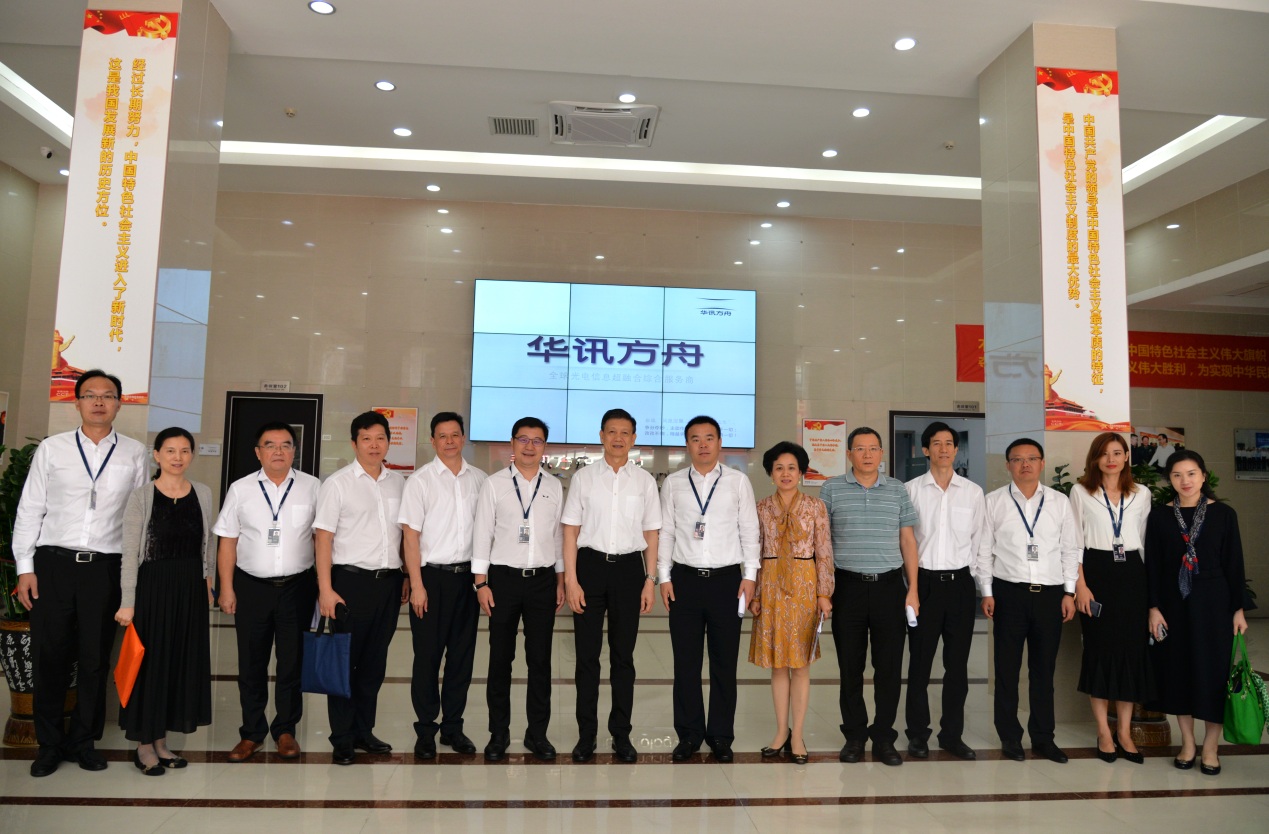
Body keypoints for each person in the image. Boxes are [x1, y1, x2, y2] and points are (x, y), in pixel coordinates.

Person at [12, 369, 148, 778]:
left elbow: (139, 519)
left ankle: (84, 742)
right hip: (52, 566)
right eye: (90, 395)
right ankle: (49, 744)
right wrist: (25, 568)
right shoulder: (52, 449)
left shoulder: (134, 453)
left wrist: (133, 578)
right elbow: (30, 509)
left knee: (94, 660)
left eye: (108, 395)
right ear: (76, 403)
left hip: (104, 570)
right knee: (50, 657)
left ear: (119, 404)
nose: (99, 402)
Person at [213, 421, 321, 762]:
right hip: (251, 587)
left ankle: (285, 730)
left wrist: (324, 587)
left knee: (292, 662)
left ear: (294, 451)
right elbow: (227, 542)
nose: (278, 451)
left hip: (297, 588)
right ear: (258, 452)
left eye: (286, 445)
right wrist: (226, 588)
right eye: (270, 445)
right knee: (251, 663)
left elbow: (322, 540)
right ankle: (252, 733)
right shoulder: (241, 489)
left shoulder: (313, 487)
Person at [659, 415, 760, 763]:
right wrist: (664, 576)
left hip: (727, 582)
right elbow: (666, 531)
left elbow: (749, 531)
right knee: (685, 663)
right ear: (687, 444)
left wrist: (750, 576)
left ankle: (720, 735)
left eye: (709, 438)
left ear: (719, 443)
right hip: (684, 581)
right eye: (695, 438)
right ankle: (688, 734)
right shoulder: (673, 483)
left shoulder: (737, 482)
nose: (702, 445)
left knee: (724, 663)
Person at [114, 427, 215, 775]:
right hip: (152, 588)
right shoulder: (142, 496)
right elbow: (130, 552)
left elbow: (207, 545)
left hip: (189, 588)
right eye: (170, 450)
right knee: (151, 665)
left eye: (185, 450)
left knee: (178, 663)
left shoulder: (203, 493)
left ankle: (162, 741)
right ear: (156, 455)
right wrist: (128, 601)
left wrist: (207, 583)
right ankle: (144, 745)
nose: (177, 457)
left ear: (192, 455)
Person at [562, 409, 661, 763]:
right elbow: (570, 531)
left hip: (629, 572)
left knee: (623, 658)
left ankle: (621, 734)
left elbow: (652, 533)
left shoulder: (644, 482)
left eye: (625, 433)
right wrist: (571, 580)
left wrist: (649, 580)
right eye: (612, 432)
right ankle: (586, 735)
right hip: (589, 568)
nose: (618, 438)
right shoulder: (583, 478)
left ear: (633, 439)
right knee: (587, 658)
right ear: (601, 435)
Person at [976, 438, 1079, 764]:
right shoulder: (994, 502)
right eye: (1017, 459)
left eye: (1032, 458)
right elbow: (983, 550)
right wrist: (987, 591)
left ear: (1042, 463)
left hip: (1050, 595)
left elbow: (1070, 549)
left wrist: (1069, 592)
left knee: (1043, 672)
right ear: (1008, 465)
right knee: (1006, 670)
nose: (1025, 464)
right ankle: (1010, 737)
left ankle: (1043, 737)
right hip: (1009, 593)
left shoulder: (1059, 502)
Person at [820, 426, 919, 766]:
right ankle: (854, 736)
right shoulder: (831, 488)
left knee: (888, 668)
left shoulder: (897, 489)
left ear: (881, 454)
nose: (867, 454)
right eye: (860, 448)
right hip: (847, 587)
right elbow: (822, 543)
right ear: (849, 454)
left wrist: (913, 590)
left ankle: (884, 737)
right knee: (850, 667)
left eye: (873, 448)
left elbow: (908, 540)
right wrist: (824, 590)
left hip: (889, 588)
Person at [1145, 450, 1248, 776]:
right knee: (1179, 673)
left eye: (1191, 474)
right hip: (1173, 605)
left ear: (1203, 476)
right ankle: (1188, 743)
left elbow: (1234, 563)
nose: (1185, 481)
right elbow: (1153, 566)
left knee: (1214, 675)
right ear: (1170, 480)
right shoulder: (1160, 516)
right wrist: (1153, 608)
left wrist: (1238, 609)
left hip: (1214, 604)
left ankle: (1211, 747)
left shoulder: (1224, 514)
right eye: (1177, 475)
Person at [314, 411, 408, 765]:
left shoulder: (399, 483)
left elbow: (404, 536)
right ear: (354, 443)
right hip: (349, 583)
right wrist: (325, 589)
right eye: (366, 439)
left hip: (388, 584)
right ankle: (342, 737)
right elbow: (323, 539)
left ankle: (364, 730)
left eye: (380, 438)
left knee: (374, 663)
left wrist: (406, 577)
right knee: (345, 662)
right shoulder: (337, 484)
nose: (374, 445)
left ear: (388, 442)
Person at [471, 417, 565, 762]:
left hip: (542, 580)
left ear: (544, 447)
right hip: (503, 581)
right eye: (523, 439)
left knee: (540, 660)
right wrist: (480, 582)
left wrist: (560, 579)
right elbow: (482, 533)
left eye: (537, 441)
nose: (529, 446)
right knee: (500, 659)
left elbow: (557, 536)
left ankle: (537, 733)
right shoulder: (494, 485)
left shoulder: (554, 486)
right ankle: (499, 733)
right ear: (512, 444)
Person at [399, 412, 487, 759]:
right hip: (430, 579)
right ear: (433, 441)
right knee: (427, 658)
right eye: (442, 436)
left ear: (463, 438)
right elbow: (410, 537)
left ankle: (453, 727)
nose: (449, 441)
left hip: (468, 580)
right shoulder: (420, 481)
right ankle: (425, 729)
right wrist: (417, 584)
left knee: (461, 658)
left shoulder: (480, 480)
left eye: (455, 435)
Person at [747, 441, 833, 765]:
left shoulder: (815, 507)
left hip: (804, 587)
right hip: (770, 586)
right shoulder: (760, 508)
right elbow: (754, 553)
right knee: (778, 664)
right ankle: (781, 732)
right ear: (771, 473)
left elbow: (824, 551)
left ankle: (798, 735)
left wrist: (824, 593)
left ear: (801, 473)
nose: (785, 474)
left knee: (800, 665)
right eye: (779, 468)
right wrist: (755, 594)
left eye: (792, 468)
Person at [1069, 432, 1153, 765]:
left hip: (1132, 577)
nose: (1111, 459)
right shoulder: (1080, 492)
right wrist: (1080, 585)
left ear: (1126, 457)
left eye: (1117, 453)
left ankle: (1125, 732)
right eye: (1104, 453)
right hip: (1096, 573)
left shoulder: (1142, 493)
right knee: (1100, 652)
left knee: (1131, 654)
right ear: (1094, 458)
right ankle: (1104, 731)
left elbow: (1145, 542)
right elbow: (1074, 542)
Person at [903, 422, 984, 761]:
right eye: (936, 443)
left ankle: (952, 735)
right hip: (924, 585)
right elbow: (905, 541)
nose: (944, 449)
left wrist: (977, 584)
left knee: (957, 667)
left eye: (949, 443)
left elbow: (980, 542)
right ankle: (917, 735)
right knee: (919, 665)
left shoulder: (972, 492)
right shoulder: (910, 490)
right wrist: (911, 587)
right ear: (925, 450)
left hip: (960, 585)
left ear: (956, 449)